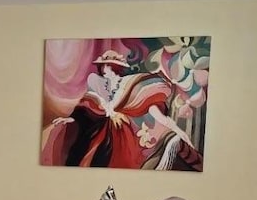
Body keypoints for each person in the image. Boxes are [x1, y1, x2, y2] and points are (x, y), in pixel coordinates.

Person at [51, 49, 200, 169]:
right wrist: (71, 117)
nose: (104, 70)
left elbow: (150, 109)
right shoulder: (97, 83)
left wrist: (175, 128)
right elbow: (88, 105)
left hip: (130, 131)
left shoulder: (128, 85)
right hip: (107, 131)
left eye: (108, 67)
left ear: (111, 68)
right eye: (104, 67)